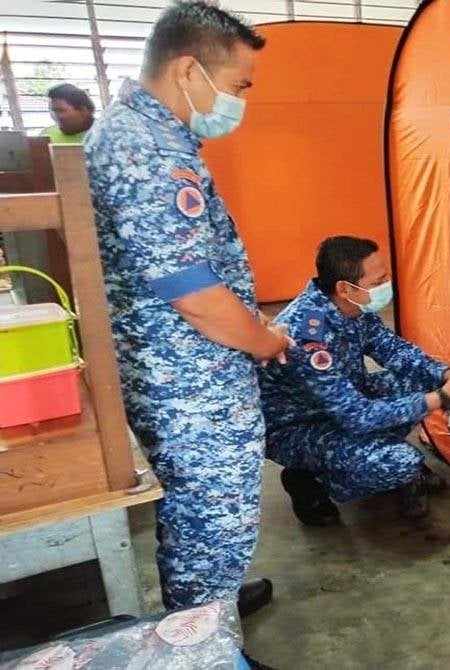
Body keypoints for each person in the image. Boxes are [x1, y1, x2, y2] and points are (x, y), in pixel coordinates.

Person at [85, 0, 288, 630]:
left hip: (182, 372)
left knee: (200, 515)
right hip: (186, 381)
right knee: (212, 511)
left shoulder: (154, 134)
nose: (240, 102)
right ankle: (200, 636)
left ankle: (206, 605)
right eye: (238, 86)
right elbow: (194, 294)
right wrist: (262, 339)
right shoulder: (143, 147)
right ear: (187, 70)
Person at [258, 236, 450, 521]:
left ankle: (373, 452)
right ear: (344, 288)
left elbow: (393, 350)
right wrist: (443, 398)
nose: (386, 285)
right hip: (300, 427)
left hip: (346, 401)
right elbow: (357, 416)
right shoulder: (307, 335)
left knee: (425, 380)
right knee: (401, 462)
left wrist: (448, 377)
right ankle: (311, 480)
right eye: (377, 281)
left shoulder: (353, 307)